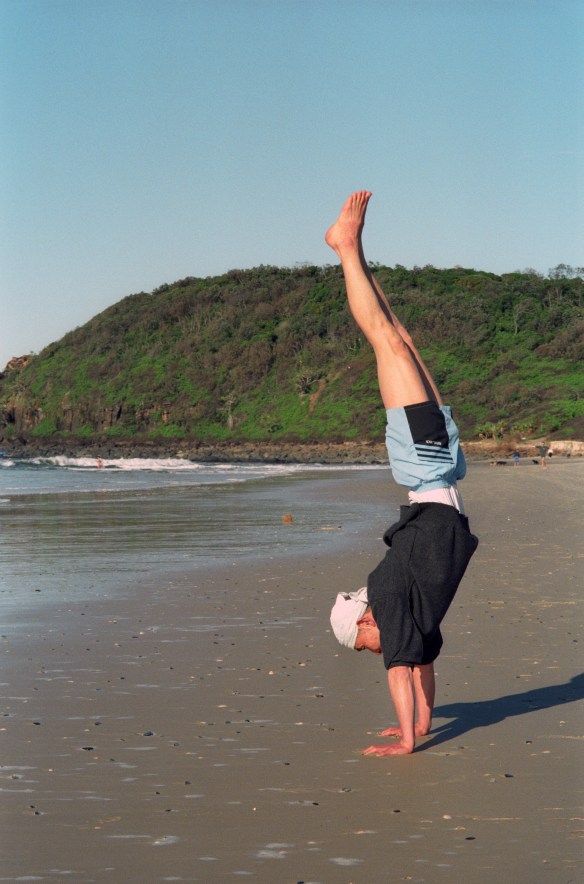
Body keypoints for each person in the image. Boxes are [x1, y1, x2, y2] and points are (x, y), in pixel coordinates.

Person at [326, 191, 478, 756]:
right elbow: (423, 667)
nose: (377, 649)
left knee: (387, 343)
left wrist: (406, 746)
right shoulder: (409, 611)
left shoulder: (389, 595)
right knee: (400, 341)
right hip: (442, 468)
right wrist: (418, 727)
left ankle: (347, 249)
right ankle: (353, 250)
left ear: (364, 618)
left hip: (424, 467)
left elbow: (400, 672)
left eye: (365, 643)